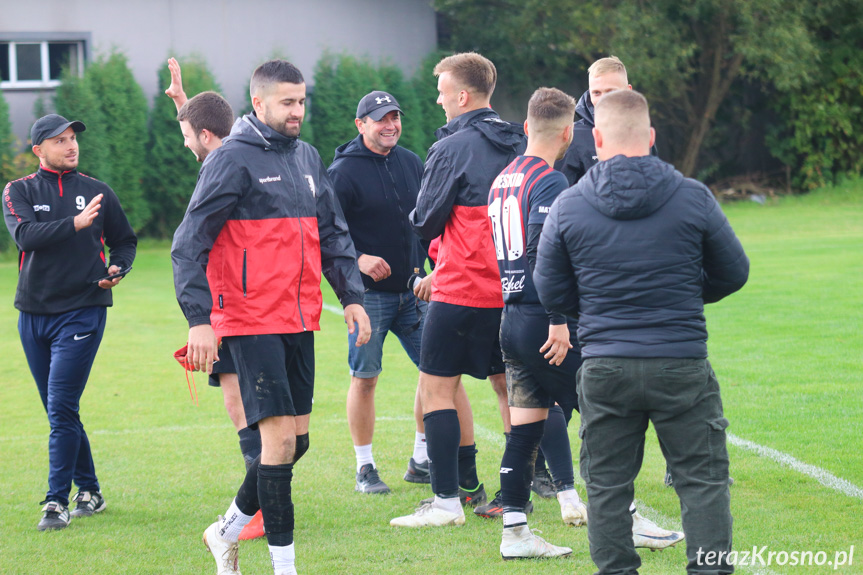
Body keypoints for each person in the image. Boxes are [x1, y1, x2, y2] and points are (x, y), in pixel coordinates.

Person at [535, 89, 748, 575]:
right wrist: (684, 298)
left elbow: (550, 288)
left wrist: (596, 310)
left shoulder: (570, 205)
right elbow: (733, 272)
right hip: (680, 359)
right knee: (703, 481)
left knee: (608, 486)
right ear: (651, 137)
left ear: (598, 138)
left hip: (606, 362)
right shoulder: (692, 196)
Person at [172, 59, 370, 575]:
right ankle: (285, 567)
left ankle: (226, 530)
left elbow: (333, 232)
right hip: (248, 317)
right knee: (277, 441)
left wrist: (350, 295)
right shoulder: (231, 160)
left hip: (299, 318)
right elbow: (187, 244)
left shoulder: (306, 156)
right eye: (287, 102)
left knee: (295, 442)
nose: (296, 111)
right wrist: (199, 320)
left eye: (301, 101)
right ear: (257, 103)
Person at [391, 52, 525, 528]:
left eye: (444, 91)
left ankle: (446, 503)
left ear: (463, 96)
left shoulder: (452, 146)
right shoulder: (521, 141)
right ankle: (517, 499)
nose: (439, 99)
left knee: (436, 390)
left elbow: (425, 219)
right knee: (513, 392)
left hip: (462, 288)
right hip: (513, 293)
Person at [3, 114, 137, 531]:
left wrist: (119, 267)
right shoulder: (17, 191)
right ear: (39, 149)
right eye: (59, 140)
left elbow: (125, 241)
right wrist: (75, 224)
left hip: (83, 309)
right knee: (60, 411)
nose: (71, 145)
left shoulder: (97, 191)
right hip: (33, 314)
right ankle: (91, 492)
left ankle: (55, 502)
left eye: (73, 138)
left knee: (61, 408)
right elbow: (25, 236)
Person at [482, 87, 586, 559]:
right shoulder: (550, 181)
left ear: (526, 127)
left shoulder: (503, 177)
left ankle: (516, 534)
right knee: (609, 410)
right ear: (567, 132)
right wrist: (560, 320)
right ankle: (625, 517)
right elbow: (544, 251)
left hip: (510, 317)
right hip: (545, 322)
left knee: (524, 430)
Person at [164, 58, 264, 540]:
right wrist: (186, 107)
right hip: (245, 299)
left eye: (188, 136)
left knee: (245, 405)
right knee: (242, 401)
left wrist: (201, 319)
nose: (185, 144)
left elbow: (188, 244)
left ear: (205, 136)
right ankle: (263, 497)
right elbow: (207, 144)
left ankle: (259, 504)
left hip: (238, 303)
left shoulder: (232, 162)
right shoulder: (244, 152)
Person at [328, 90, 434, 493]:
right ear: (361, 124)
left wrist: (432, 268)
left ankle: (421, 459)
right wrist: (358, 259)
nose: (390, 125)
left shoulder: (411, 162)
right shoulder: (342, 172)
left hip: (415, 291)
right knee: (366, 378)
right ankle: (365, 468)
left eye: (394, 117)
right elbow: (326, 234)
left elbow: (428, 221)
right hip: (367, 297)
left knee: (436, 371)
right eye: (380, 119)